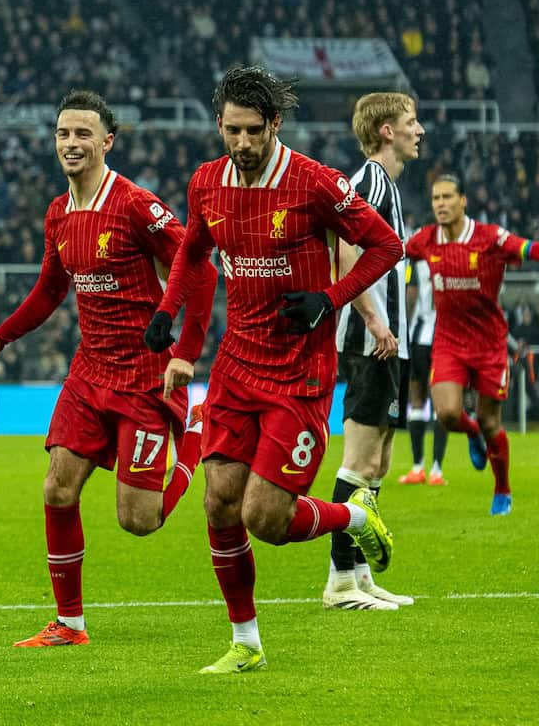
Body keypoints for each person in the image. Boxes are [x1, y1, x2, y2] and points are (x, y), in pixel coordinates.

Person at [146, 65, 402, 673]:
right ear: (219, 124)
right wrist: (166, 310)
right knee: (219, 505)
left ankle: (355, 517)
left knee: (267, 518)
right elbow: (192, 250)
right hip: (236, 365)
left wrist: (331, 300)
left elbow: (387, 245)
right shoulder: (208, 181)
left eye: (253, 131)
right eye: (231, 130)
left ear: (276, 125)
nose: (241, 143)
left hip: (300, 374)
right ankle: (246, 643)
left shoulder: (315, 182)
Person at [0, 89, 218, 648]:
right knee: (57, 489)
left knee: (139, 520)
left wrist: (185, 350)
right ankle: (70, 624)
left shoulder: (136, 205)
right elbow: (50, 289)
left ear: (107, 141)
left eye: (83, 134)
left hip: (145, 375)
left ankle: (195, 438)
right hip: (88, 372)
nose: (71, 143)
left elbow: (198, 267)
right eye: (63, 133)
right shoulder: (58, 213)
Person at [405, 175, 539, 516]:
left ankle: (502, 488)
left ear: (463, 201)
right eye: (435, 198)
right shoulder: (425, 240)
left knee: (492, 423)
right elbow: (388, 249)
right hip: (449, 343)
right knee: (446, 413)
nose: (440, 204)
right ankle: (470, 431)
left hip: (489, 344)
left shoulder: (490, 239)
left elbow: (534, 249)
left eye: (447, 197)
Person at [325, 92, 422, 611]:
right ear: (386, 130)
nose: (419, 130)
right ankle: (339, 582)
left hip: (391, 340)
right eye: (411, 121)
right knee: (359, 461)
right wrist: (373, 319)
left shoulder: (389, 186)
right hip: (373, 340)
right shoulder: (366, 182)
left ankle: (360, 577)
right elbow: (346, 253)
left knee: (379, 464)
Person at [399, 258, 450, 486]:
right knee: (439, 401)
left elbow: (411, 296)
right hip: (444, 336)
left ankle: (417, 467)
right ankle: (436, 470)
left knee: (417, 398)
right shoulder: (453, 257)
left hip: (420, 335)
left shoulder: (418, 262)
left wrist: (404, 328)